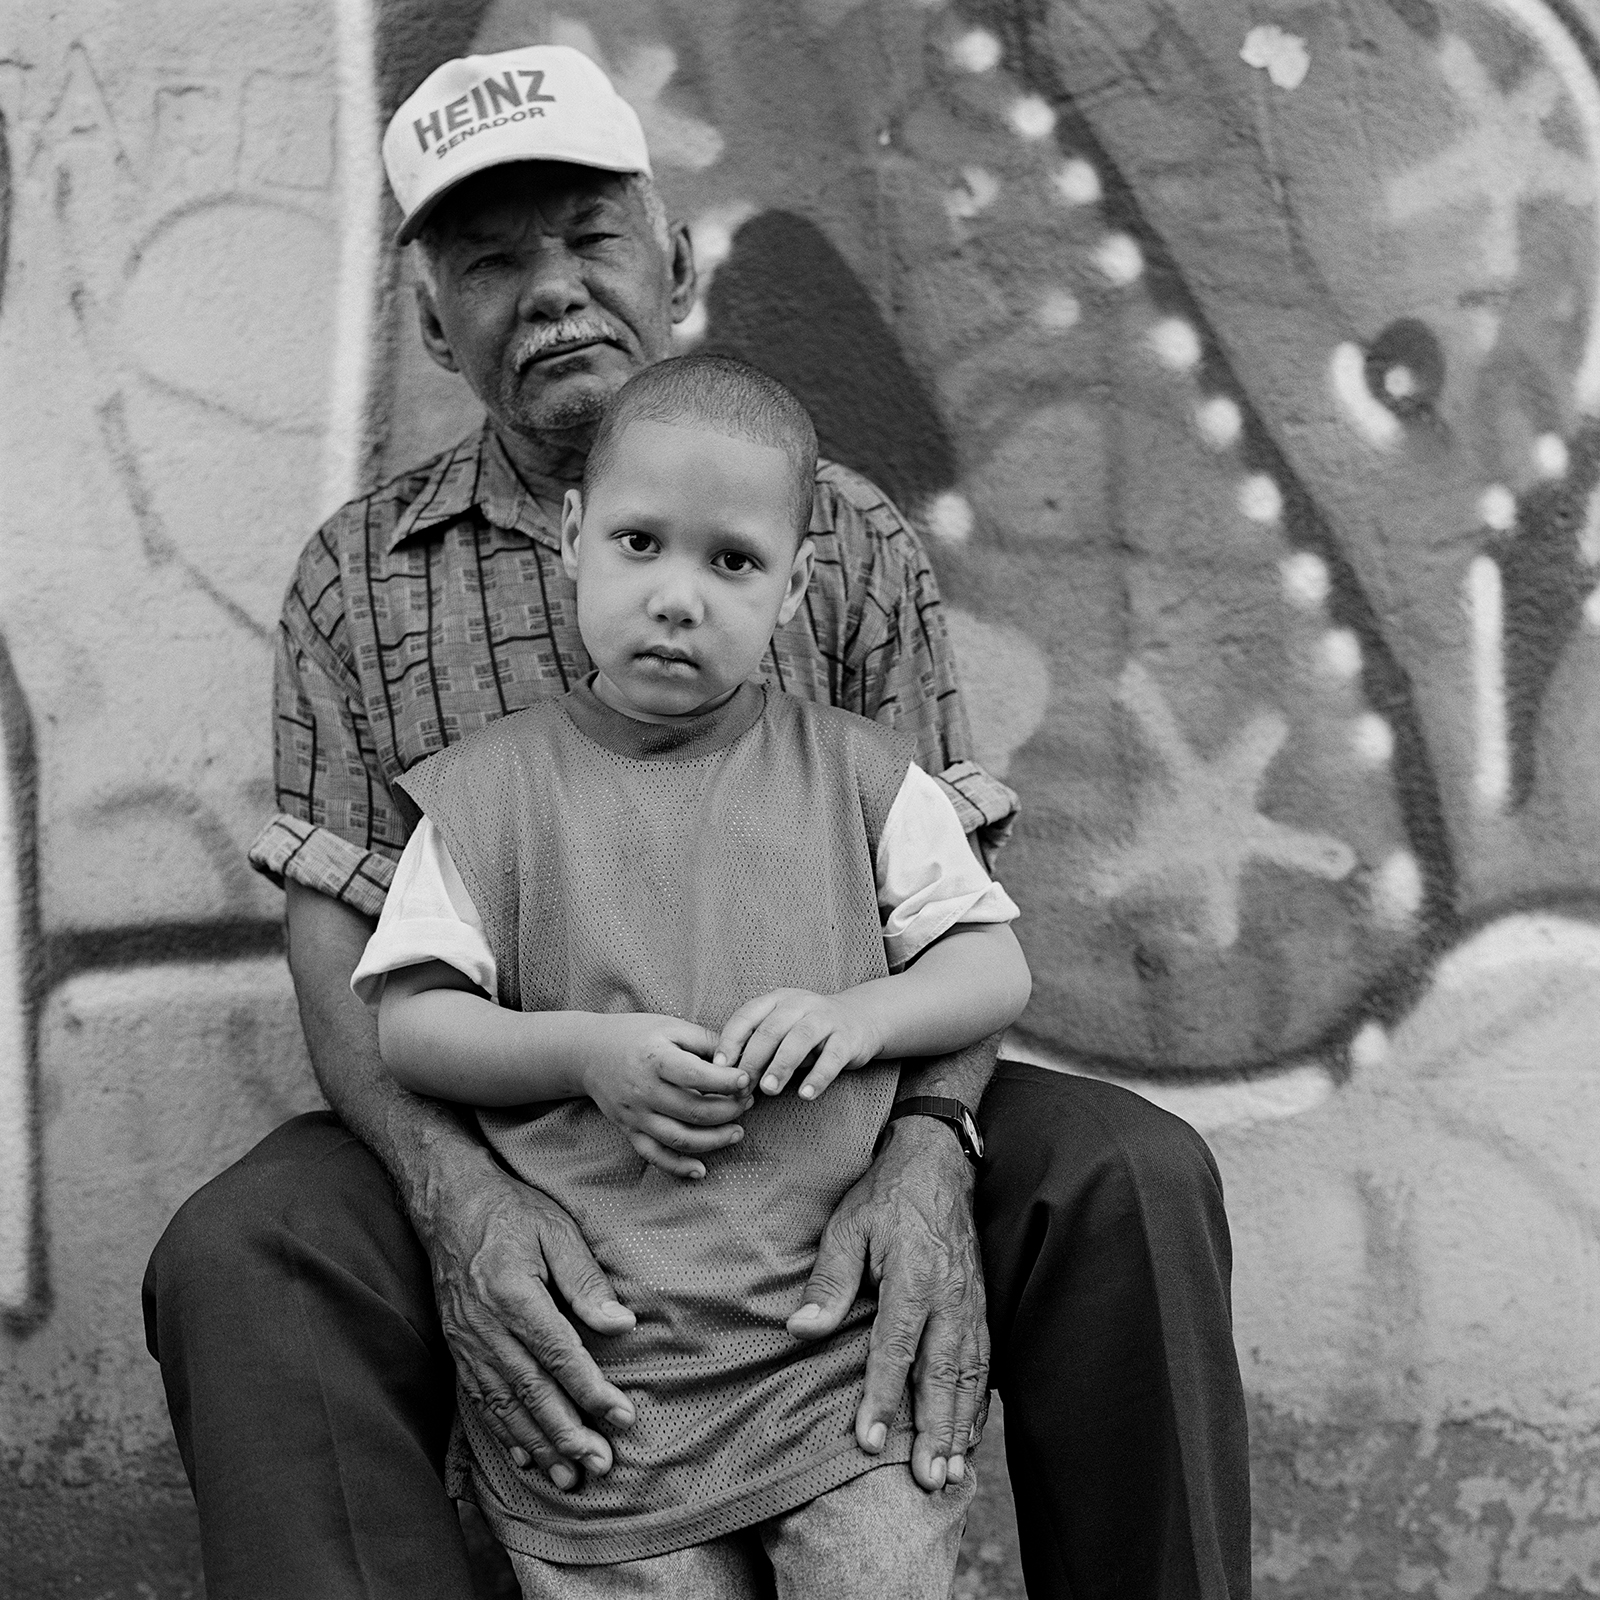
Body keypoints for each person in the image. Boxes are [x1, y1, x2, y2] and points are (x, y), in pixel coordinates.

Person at [141, 42, 1250, 1600]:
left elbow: (959, 911)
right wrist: (467, 1206)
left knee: (1130, 1177)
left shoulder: (839, 539)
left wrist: (927, 1148)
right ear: (429, 320)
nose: (551, 290)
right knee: (242, 1255)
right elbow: (343, 960)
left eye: (590, 237)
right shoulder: (358, 579)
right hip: (503, 1119)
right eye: (489, 258)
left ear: (670, 257)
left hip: (826, 1108)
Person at [353, 353, 1033, 1596]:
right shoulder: (490, 793)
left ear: (794, 589)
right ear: (571, 540)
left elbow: (990, 965)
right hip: (610, 1382)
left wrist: (859, 1013)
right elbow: (412, 1025)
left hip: (830, 1370)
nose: (679, 597)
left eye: (731, 562)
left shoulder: (861, 775)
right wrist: (582, 1053)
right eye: (639, 544)